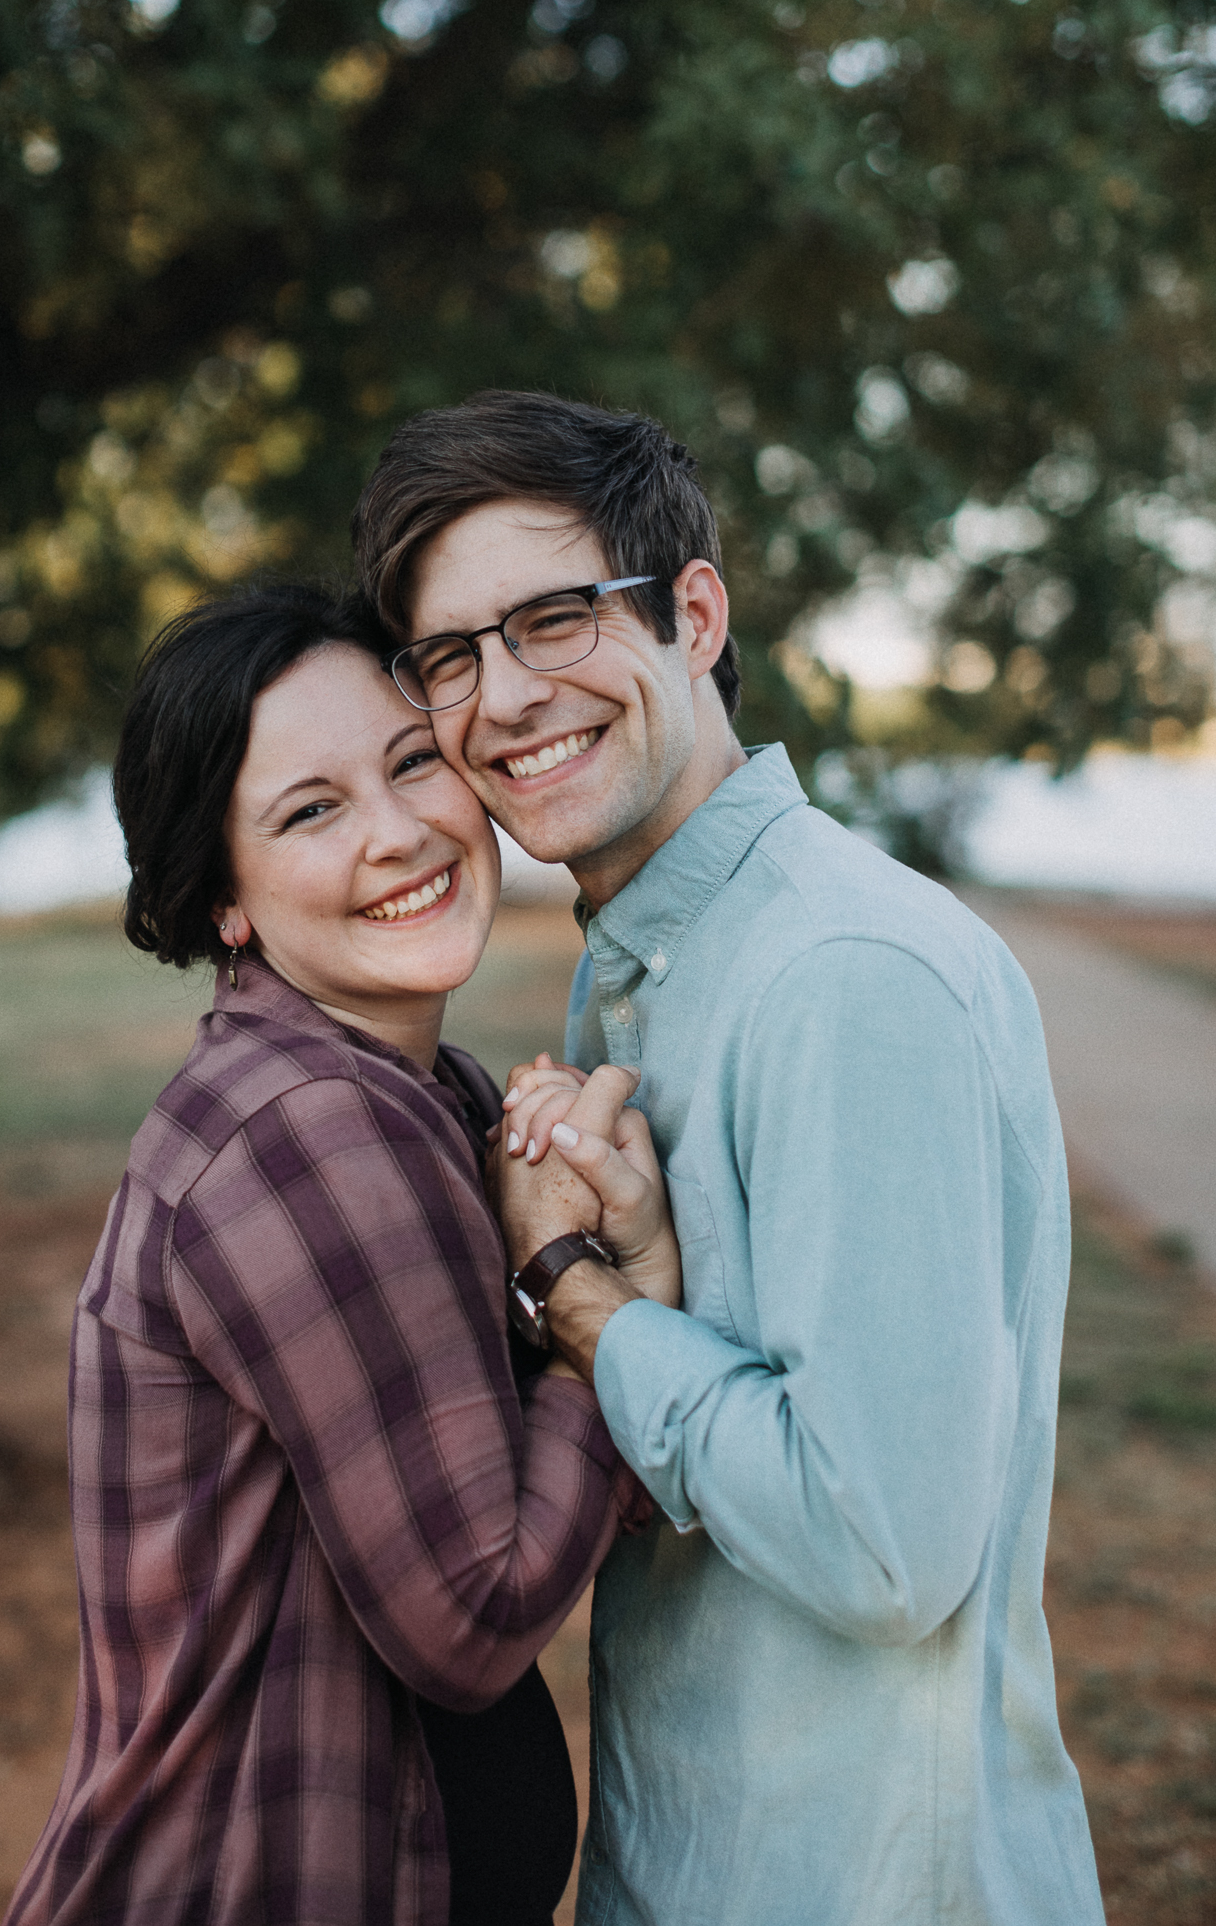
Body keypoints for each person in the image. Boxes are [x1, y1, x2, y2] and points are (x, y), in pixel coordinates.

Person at [352, 391, 1106, 1926]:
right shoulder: (648, 966)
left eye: (555, 619)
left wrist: (586, 1301)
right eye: (451, 655)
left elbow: (881, 1544)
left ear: (694, 613)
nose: (501, 698)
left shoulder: (844, 974)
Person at [2, 582, 673, 1926]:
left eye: (413, 761)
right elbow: (476, 1610)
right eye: (312, 810)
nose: (400, 829)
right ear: (224, 899)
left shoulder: (417, 1091)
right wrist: (610, 1301)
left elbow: (573, 1479)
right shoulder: (309, 1133)